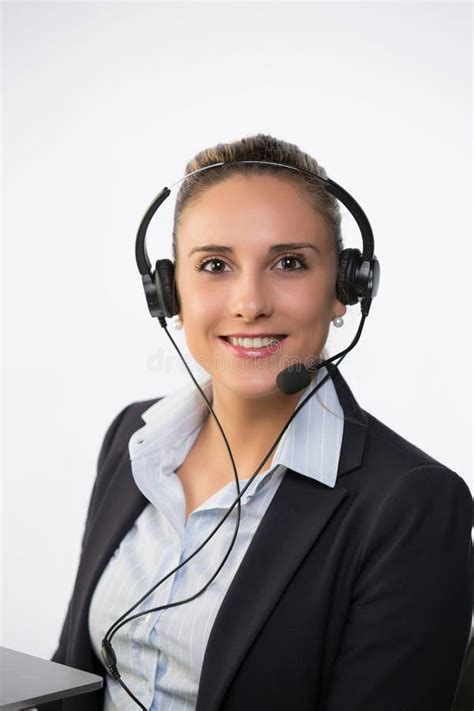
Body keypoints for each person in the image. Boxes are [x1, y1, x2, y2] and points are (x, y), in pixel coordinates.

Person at [40, 134, 473, 711]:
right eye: (215, 265)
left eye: (289, 263)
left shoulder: (413, 503)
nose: (249, 302)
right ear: (169, 292)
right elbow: (73, 677)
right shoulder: (133, 438)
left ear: (346, 288)